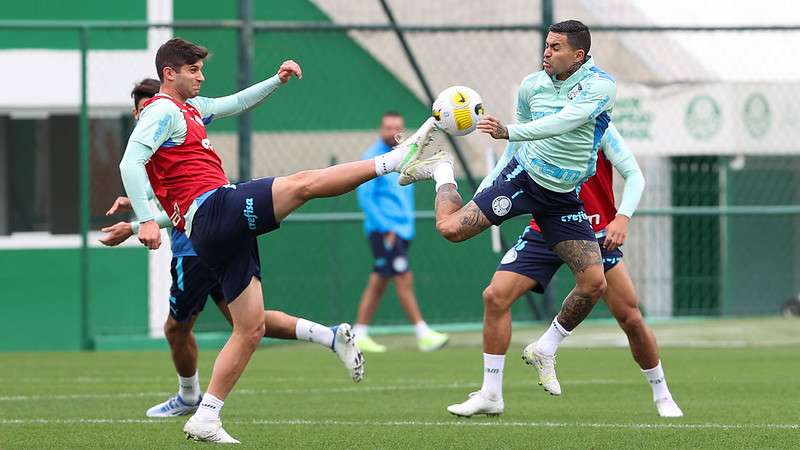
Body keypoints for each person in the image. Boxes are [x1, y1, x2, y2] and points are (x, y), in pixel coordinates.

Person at [119, 38, 441, 443]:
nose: (201, 77)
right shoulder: (162, 108)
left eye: (202, 69)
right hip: (214, 209)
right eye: (193, 70)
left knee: (250, 328)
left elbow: (234, 103)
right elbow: (129, 160)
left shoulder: (190, 109)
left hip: (211, 230)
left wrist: (276, 80)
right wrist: (145, 221)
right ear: (170, 73)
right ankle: (393, 162)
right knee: (302, 184)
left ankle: (207, 416)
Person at [101, 79, 364, 419]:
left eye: (145, 108)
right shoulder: (167, 140)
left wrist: (137, 224)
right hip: (217, 234)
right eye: (138, 111)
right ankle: (328, 336)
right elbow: (168, 192)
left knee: (176, 329)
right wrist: (139, 206)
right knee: (249, 323)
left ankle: (190, 397)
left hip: (195, 249)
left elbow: (179, 206)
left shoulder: (172, 123)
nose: (143, 115)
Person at [400, 19, 614, 407]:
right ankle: (442, 169)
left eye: (556, 47)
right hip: (523, 180)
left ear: (578, 55)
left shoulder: (601, 86)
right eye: (546, 45)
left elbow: (564, 123)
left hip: (564, 198)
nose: (546, 52)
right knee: (451, 230)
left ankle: (546, 347)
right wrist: (487, 187)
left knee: (594, 284)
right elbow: (514, 152)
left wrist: (510, 131)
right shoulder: (532, 86)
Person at [446, 124, 683, 418]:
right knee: (495, 296)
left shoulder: (599, 126)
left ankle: (662, 394)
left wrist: (622, 217)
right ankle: (491, 394)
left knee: (630, 317)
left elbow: (635, 175)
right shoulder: (531, 126)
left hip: (595, 235)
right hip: (544, 230)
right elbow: (499, 174)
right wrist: (476, 209)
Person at [352, 111, 449, 353]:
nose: (393, 131)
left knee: (380, 280)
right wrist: (386, 229)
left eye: (397, 127)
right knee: (403, 278)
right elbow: (366, 199)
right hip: (385, 231)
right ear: (380, 129)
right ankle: (422, 333)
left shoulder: (407, 153)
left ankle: (359, 333)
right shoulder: (371, 158)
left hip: (403, 230)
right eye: (388, 127)